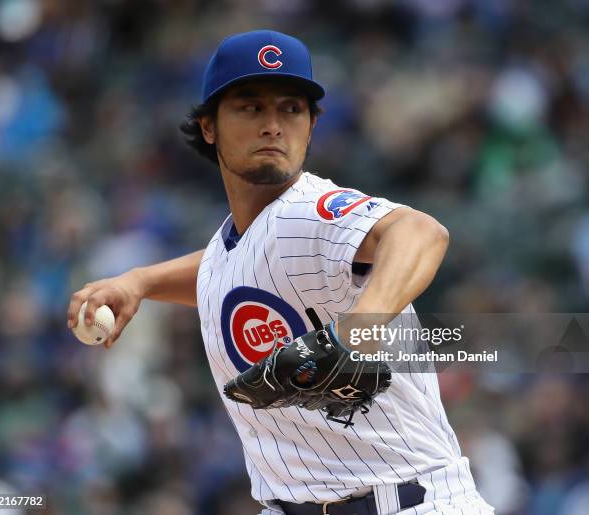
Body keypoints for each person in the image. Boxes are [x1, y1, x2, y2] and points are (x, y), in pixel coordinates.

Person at [67, 30, 494, 515]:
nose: (273, 125)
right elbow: (223, 268)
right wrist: (138, 282)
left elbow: (420, 231)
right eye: (250, 108)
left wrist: (360, 326)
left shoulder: (309, 209)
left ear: (311, 126)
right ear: (208, 126)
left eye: (291, 109)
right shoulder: (243, 240)